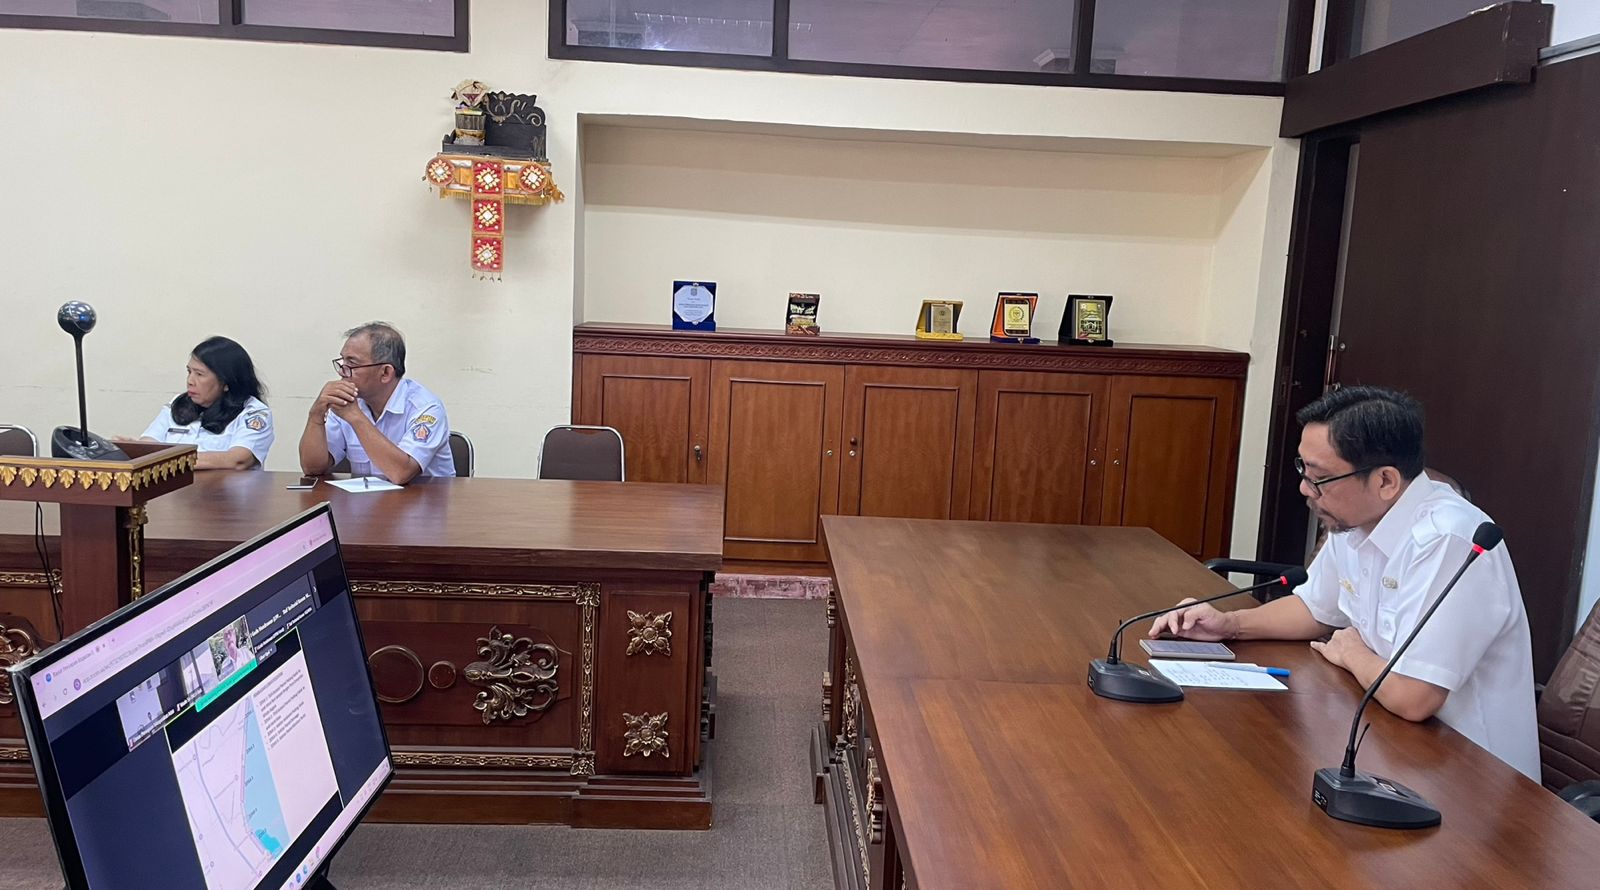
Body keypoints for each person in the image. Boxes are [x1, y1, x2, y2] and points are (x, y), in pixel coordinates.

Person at [1148, 386, 1539, 780]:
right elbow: (1315, 609)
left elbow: (1414, 697)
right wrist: (1230, 625)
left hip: (1468, 773)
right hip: (1384, 740)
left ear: (1385, 481)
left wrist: (1352, 653)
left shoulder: (1449, 539)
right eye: (1303, 469)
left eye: (1320, 477)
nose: (1305, 488)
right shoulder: (1354, 520)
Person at [299, 321, 454, 483]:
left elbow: (401, 473)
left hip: (425, 498)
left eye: (352, 364)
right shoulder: (348, 402)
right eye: (342, 362)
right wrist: (316, 416)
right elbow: (312, 468)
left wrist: (356, 418)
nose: (342, 372)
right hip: (368, 499)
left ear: (385, 372)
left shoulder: (426, 408)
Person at [136, 336, 272, 470]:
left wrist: (170, 461)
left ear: (226, 382)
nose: (190, 381)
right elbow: (149, 445)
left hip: (223, 485)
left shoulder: (253, 413)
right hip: (175, 485)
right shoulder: (178, 404)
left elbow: (238, 460)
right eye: (189, 372)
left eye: (199, 374)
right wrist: (132, 450)